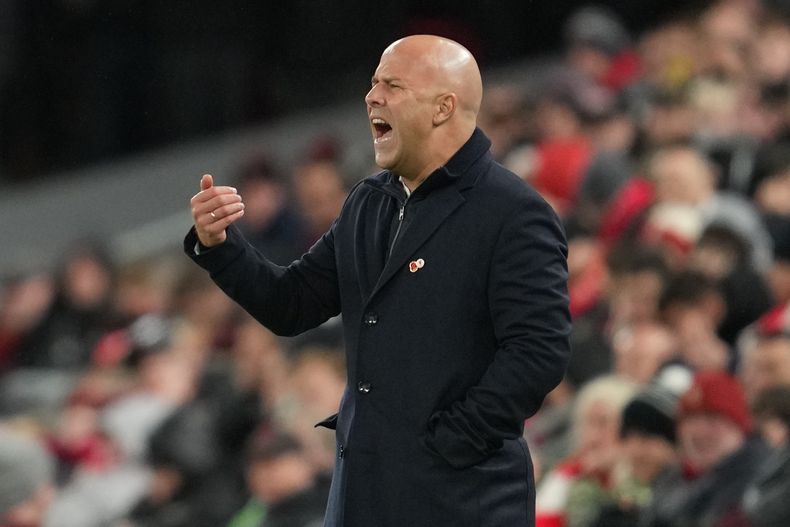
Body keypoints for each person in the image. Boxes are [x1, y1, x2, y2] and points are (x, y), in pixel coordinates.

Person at [185, 34, 571, 526]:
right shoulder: (369, 201)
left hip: (459, 500)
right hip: (361, 493)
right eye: (372, 84)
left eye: (392, 85)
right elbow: (293, 304)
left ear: (442, 108)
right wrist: (221, 246)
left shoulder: (514, 213)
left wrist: (447, 443)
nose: (372, 97)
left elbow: (537, 354)